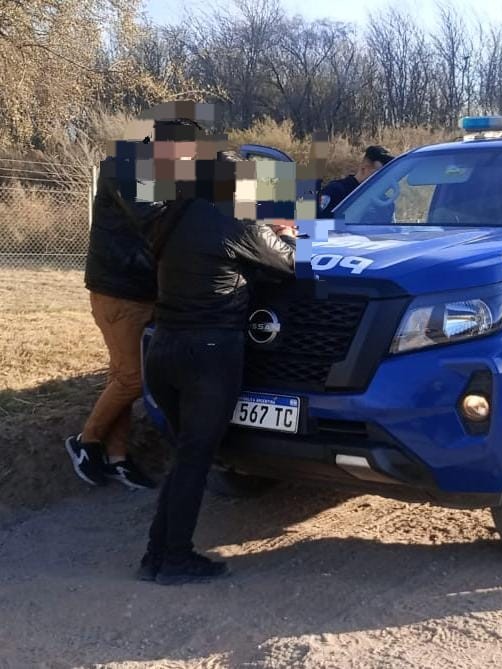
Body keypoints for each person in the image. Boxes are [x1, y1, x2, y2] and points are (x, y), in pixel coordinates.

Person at [130, 117, 298, 585]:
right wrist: (281, 234)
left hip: (164, 348)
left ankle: (155, 557)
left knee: (185, 456)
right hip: (208, 352)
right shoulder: (234, 217)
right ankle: (176, 559)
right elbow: (289, 264)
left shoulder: (171, 213)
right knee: (195, 460)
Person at [64, 141, 166, 490]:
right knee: (133, 379)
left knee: (120, 377)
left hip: (140, 291)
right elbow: (152, 216)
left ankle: (118, 457)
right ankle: (86, 442)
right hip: (120, 291)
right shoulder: (125, 167)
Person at [317, 144, 394, 218]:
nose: (382, 179)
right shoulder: (336, 192)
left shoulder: (385, 203)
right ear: (364, 168)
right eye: (379, 174)